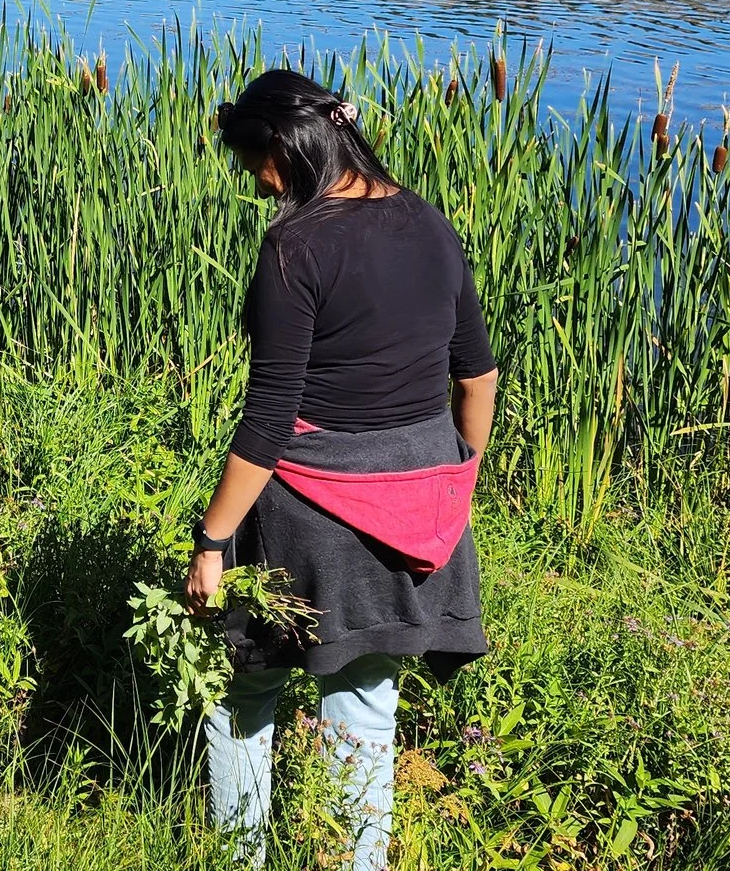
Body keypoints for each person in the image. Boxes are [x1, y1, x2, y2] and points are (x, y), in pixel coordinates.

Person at [188, 68, 499, 870]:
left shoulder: (295, 245)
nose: (253, 184)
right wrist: (452, 478)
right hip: (416, 504)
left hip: (313, 515)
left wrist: (213, 539)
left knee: (244, 692)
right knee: (363, 706)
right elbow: (478, 377)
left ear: (283, 150)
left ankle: (242, 858)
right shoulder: (430, 223)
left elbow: (269, 419)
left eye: (251, 163)